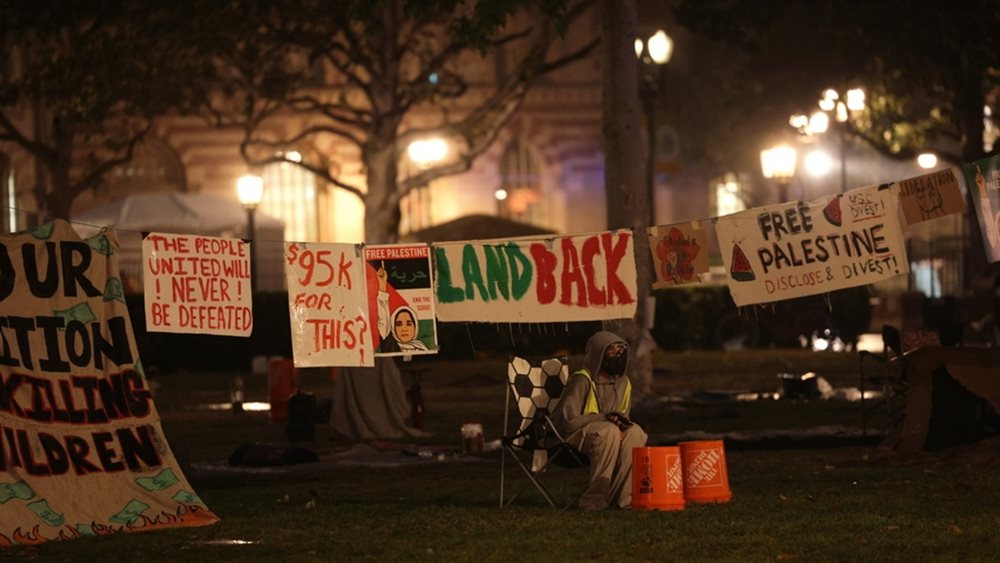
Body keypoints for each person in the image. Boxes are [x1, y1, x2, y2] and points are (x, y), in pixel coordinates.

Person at [552, 330, 648, 510]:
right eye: (612, 351)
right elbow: (568, 423)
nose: (618, 355)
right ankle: (594, 500)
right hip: (572, 437)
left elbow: (623, 416)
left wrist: (622, 426)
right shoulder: (582, 380)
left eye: (622, 351)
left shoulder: (624, 383)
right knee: (608, 432)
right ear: (599, 355)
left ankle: (624, 498)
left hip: (606, 433)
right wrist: (603, 418)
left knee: (635, 432)